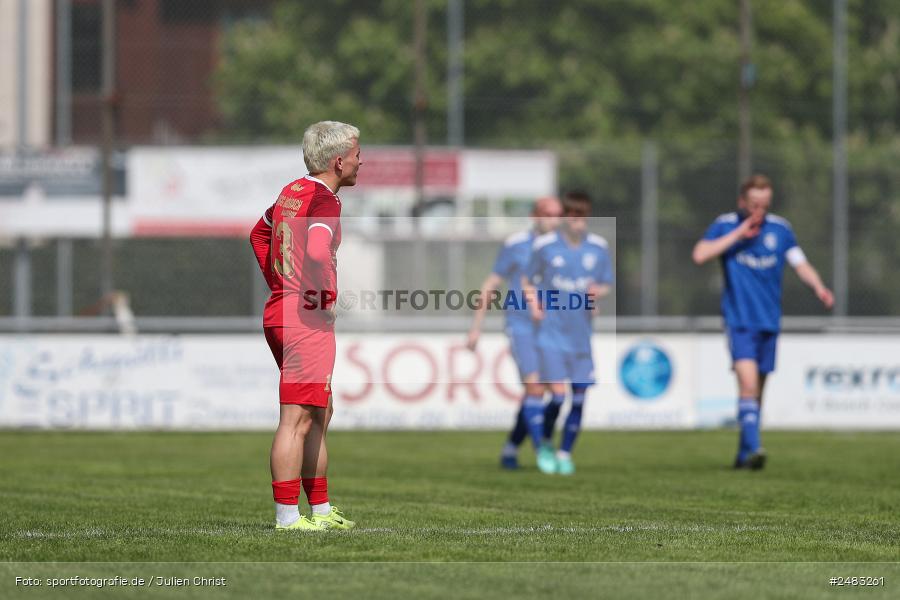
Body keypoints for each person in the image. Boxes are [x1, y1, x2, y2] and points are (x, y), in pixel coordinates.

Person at [250, 121, 361, 529]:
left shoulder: (291, 192)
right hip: (305, 316)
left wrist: (281, 282)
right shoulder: (325, 200)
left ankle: (321, 510)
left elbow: (258, 234)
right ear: (338, 161)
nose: (360, 160)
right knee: (296, 418)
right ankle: (287, 518)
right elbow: (316, 252)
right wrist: (321, 296)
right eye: (356, 154)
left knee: (320, 411)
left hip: (282, 310)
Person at [692, 174, 833, 469]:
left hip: (768, 321)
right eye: (754, 204)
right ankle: (756, 447)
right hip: (739, 319)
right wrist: (738, 235)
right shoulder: (726, 224)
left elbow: (800, 263)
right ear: (742, 201)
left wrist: (818, 286)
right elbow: (700, 254)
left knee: (757, 391)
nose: (759, 211)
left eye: (764, 205)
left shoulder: (780, 230)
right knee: (747, 384)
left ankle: (744, 453)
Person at [466, 197, 563, 469]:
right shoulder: (516, 245)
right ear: (535, 216)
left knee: (556, 393)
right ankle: (543, 449)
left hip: (552, 328)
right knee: (534, 387)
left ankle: (512, 447)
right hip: (521, 325)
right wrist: (476, 328)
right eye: (548, 214)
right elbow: (491, 284)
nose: (553, 220)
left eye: (558, 214)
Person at [524, 191, 613, 475]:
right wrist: (535, 303)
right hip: (551, 335)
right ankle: (547, 442)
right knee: (558, 397)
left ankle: (565, 453)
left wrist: (596, 294)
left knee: (579, 397)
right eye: (571, 216)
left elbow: (605, 283)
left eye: (582, 216)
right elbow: (527, 280)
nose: (577, 221)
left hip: (581, 337)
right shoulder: (546, 246)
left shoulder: (598, 247)